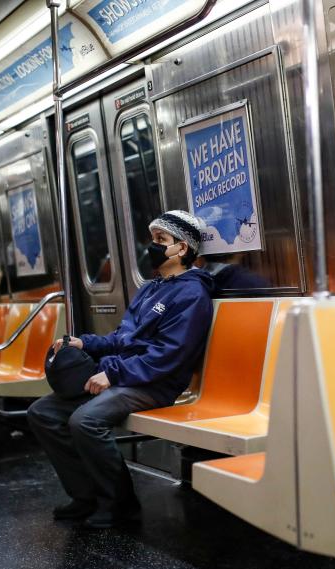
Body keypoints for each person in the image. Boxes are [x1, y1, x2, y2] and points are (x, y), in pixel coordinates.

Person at [27, 210, 214, 529]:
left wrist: (113, 374)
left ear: (182, 248)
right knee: (42, 412)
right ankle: (86, 496)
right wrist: (83, 344)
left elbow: (168, 355)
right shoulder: (151, 289)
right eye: (152, 238)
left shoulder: (192, 294)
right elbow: (122, 337)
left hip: (157, 383)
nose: (152, 246)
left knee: (85, 421)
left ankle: (120, 504)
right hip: (129, 374)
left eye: (161, 240)